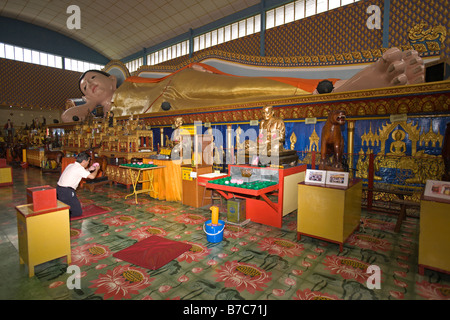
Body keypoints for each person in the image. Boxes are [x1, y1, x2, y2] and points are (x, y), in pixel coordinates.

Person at [61, 47, 425, 123]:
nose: (90, 85)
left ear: (111, 77)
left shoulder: (136, 77)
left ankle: (331, 87)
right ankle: (335, 87)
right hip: (171, 114)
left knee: (247, 88)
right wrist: (84, 105)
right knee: (251, 96)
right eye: (85, 86)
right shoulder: (99, 115)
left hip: (177, 89)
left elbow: (167, 76)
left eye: (93, 78)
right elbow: (67, 119)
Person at [56, 152, 100, 217]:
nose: (88, 163)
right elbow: (92, 177)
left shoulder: (71, 165)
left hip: (59, 190)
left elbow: (80, 172)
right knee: (77, 212)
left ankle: (63, 211)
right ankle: (63, 216)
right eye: (88, 161)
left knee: (67, 206)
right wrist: (96, 170)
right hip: (67, 192)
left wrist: (89, 169)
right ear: (84, 161)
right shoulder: (79, 169)